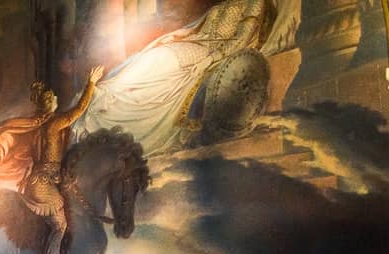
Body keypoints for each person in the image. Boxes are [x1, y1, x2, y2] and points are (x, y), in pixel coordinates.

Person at [79, 0, 288, 155]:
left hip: (208, 51)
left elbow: (242, 37)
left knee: (159, 60)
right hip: (196, 43)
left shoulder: (255, 3)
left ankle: (110, 106)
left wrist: (211, 57)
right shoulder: (226, 4)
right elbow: (197, 28)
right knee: (151, 56)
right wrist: (174, 36)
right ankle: (108, 96)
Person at [0, 66, 104, 254]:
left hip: (43, 179)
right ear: (48, 102)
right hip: (43, 183)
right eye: (52, 97)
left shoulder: (38, 125)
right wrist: (91, 83)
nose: (56, 98)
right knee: (60, 227)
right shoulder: (53, 124)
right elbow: (79, 110)